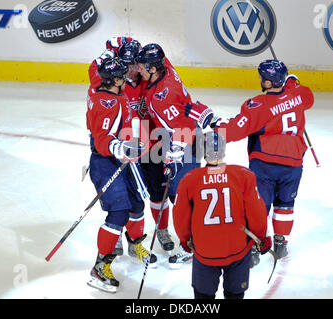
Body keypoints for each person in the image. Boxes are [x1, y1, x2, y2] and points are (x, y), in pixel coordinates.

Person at [185, 59, 314, 266]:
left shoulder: (259, 106)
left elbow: (234, 130)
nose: (261, 80)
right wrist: (291, 82)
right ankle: (281, 243)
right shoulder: (299, 95)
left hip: (265, 162)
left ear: (269, 83)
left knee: (259, 205)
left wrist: (211, 120)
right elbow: (307, 95)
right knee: (285, 205)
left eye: (263, 78)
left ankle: (254, 246)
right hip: (294, 161)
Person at [86, 57, 156, 293]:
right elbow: (102, 138)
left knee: (136, 203)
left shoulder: (116, 93)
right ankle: (100, 265)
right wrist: (122, 148)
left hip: (122, 158)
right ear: (114, 80)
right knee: (118, 212)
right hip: (105, 161)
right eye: (123, 76)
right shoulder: (107, 103)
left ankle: (135, 245)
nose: (127, 78)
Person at [172, 132, 271, 299]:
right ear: (224, 151)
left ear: (203, 152)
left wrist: (185, 240)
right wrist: (261, 237)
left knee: (203, 298)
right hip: (237, 249)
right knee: (235, 295)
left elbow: (180, 217)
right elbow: (257, 213)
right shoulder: (244, 175)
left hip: (204, 252)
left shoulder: (189, 179)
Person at [135, 43, 205, 267]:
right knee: (183, 196)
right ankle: (195, 242)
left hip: (186, 143)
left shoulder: (161, 98)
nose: (139, 69)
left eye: (142, 66)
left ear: (154, 69)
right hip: (187, 137)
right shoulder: (166, 68)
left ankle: (195, 246)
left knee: (184, 198)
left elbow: (180, 129)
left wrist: (174, 159)